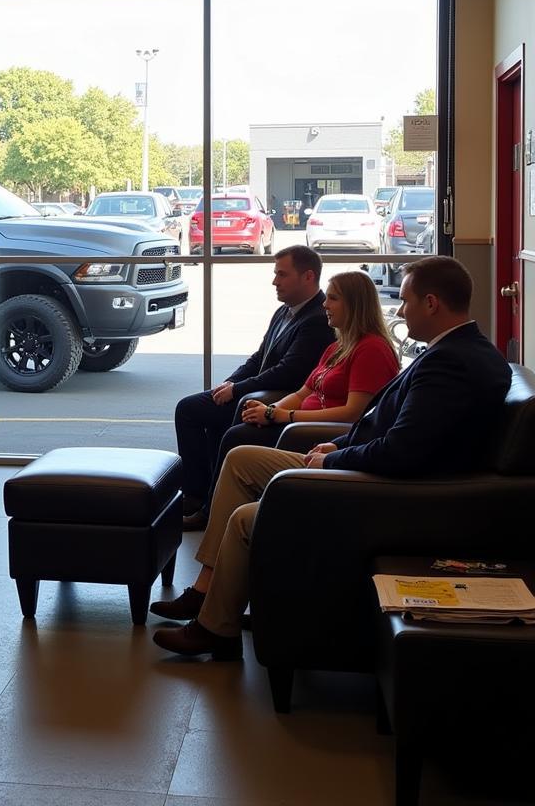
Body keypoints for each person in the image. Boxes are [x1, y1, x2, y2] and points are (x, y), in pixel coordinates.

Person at [152, 255, 512, 660]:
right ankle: (207, 590)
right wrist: (339, 447)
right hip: (363, 464)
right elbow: (394, 431)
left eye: (407, 300)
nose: (401, 309)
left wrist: (335, 460)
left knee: (245, 518)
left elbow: (401, 451)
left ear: (432, 303)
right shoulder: (459, 352)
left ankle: (215, 627)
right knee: (242, 458)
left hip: (383, 491)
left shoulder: (450, 363)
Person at [175, 245, 334, 531]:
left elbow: (288, 373)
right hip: (254, 391)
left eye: (282, 274)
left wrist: (238, 391)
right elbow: (259, 358)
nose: (275, 281)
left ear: (308, 276)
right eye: (275, 274)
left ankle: (201, 499)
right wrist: (231, 382)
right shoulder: (284, 312)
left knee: (188, 410)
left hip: (275, 399)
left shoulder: (317, 321)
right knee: (204, 410)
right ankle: (200, 494)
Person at [207, 269, 402, 488]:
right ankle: (213, 503)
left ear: (355, 305)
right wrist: (269, 410)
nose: (325, 305)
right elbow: (304, 393)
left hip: (314, 432)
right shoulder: (336, 347)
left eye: (333, 298)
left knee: (237, 438)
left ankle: (213, 508)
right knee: (241, 427)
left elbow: (354, 413)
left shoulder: (372, 349)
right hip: (298, 422)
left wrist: (283, 415)